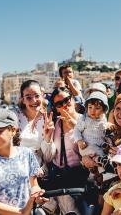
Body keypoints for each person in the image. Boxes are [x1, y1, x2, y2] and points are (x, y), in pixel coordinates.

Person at [0, 108, 47, 215]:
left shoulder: (27, 154)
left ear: (13, 130)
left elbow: (34, 185)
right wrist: (21, 212)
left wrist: (37, 196)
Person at [82, 92, 121, 197]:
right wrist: (86, 160)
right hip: (104, 190)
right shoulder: (111, 131)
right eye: (117, 108)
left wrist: (96, 160)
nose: (120, 113)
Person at [41, 87, 88, 215]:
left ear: (72, 99)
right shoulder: (54, 124)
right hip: (59, 177)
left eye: (66, 100)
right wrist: (47, 137)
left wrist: (76, 128)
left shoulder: (85, 122)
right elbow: (49, 157)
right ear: (55, 107)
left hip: (79, 177)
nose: (64, 105)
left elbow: (90, 152)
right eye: (59, 104)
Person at [13, 80, 53, 176]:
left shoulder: (46, 119)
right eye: (28, 97)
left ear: (42, 96)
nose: (34, 100)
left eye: (37, 96)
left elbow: (48, 157)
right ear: (23, 99)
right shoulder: (14, 117)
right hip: (17, 172)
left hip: (39, 173)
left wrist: (48, 139)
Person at [74, 91, 108, 180]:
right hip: (87, 146)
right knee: (100, 157)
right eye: (90, 107)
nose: (92, 111)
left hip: (98, 145)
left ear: (104, 110)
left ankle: (94, 176)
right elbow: (76, 130)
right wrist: (79, 140)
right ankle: (102, 175)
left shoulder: (103, 119)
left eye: (97, 108)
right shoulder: (84, 119)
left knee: (101, 154)